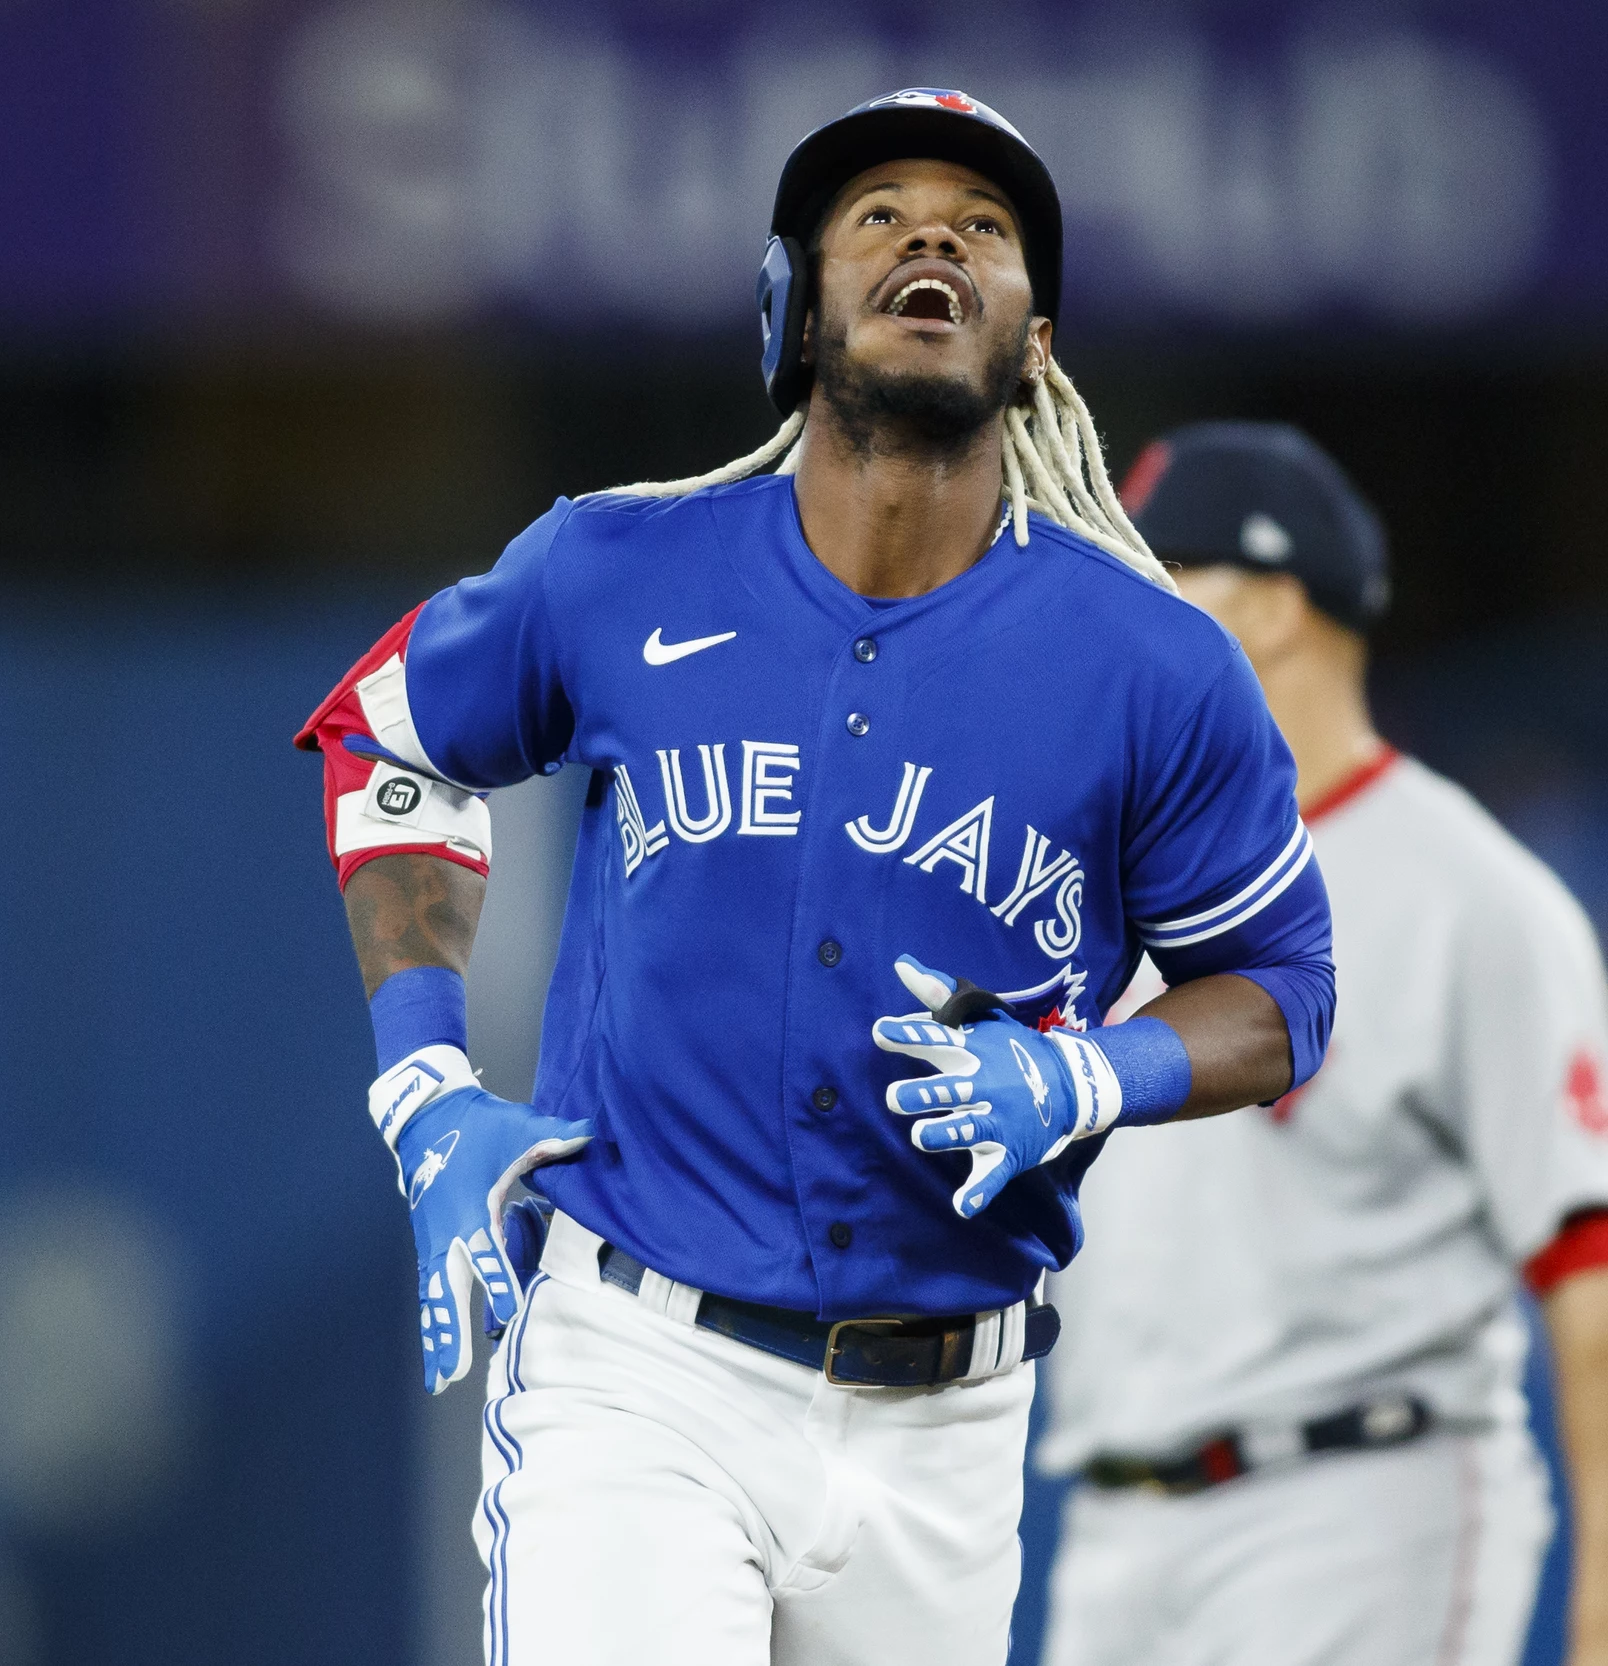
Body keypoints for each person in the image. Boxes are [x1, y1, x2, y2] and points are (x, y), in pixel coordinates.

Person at [292, 97, 1336, 1666]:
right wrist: (424, 1082)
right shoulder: (616, 566)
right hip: (642, 1369)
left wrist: (1090, 1073)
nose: (934, 238)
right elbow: (386, 738)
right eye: (881, 215)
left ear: (1035, 340)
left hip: (951, 1425)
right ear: (793, 310)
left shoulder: (1155, 667)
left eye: (981, 227)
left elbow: (1287, 995)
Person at [1040, 423, 1608, 1666]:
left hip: (1359, 1498)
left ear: (1275, 608)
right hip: (1114, 1525)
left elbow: (1595, 1258)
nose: (1121, 613)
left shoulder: (1470, 893)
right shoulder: (1096, 879)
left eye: (1160, 575)